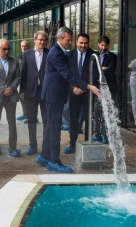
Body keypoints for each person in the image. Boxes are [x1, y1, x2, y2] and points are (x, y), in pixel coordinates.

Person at [38, 26, 102, 173]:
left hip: (52, 94)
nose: (70, 43)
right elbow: (67, 74)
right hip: (53, 96)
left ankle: (44, 156)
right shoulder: (57, 53)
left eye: (71, 40)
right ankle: (54, 161)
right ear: (59, 38)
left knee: (50, 126)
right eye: (68, 40)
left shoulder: (59, 51)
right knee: (54, 129)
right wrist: (88, 86)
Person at [0, 39, 21, 157]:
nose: (6, 51)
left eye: (8, 49)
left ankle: (13, 148)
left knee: (12, 122)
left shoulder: (15, 62)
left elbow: (18, 77)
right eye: (4, 49)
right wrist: (2, 89)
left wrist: (10, 89)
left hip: (11, 96)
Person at [63, 33, 95, 154]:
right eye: (81, 43)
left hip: (88, 92)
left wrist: (83, 87)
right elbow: (67, 73)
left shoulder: (93, 56)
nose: (83, 45)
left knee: (88, 118)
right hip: (73, 91)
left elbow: (95, 74)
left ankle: (87, 143)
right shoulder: (69, 55)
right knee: (73, 118)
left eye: (85, 43)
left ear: (88, 43)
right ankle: (72, 144)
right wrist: (74, 87)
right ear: (76, 42)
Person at [19, 31, 49, 156]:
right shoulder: (27, 54)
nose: (42, 42)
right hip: (31, 92)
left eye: (44, 40)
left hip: (45, 91)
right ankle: (33, 146)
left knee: (47, 120)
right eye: (40, 40)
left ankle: (46, 146)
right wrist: (22, 91)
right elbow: (23, 73)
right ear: (35, 40)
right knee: (31, 120)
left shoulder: (49, 53)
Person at [92, 36, 118, 144]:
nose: (103, 47)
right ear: (98, 44)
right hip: (96, 87)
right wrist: (103, 68)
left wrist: (99, 69)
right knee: (97, 111)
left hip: (108, 87)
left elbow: (110, 70)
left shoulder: (113, 56)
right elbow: (92, 71)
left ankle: (106, 134)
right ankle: (97, 133)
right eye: (102, 45)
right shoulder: (94, 55)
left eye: (105, 45)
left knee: (107, 111)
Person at [16, 40, 30, 121]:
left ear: (28, 47)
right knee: (21, 97)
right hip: (22, 80)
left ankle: (31, 116)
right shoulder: (22, 56)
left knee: (28, 98)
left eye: (25, 46)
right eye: (22, 46)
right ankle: (25, 114)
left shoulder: (30, 55)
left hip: (29, 81)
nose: (24, 48)